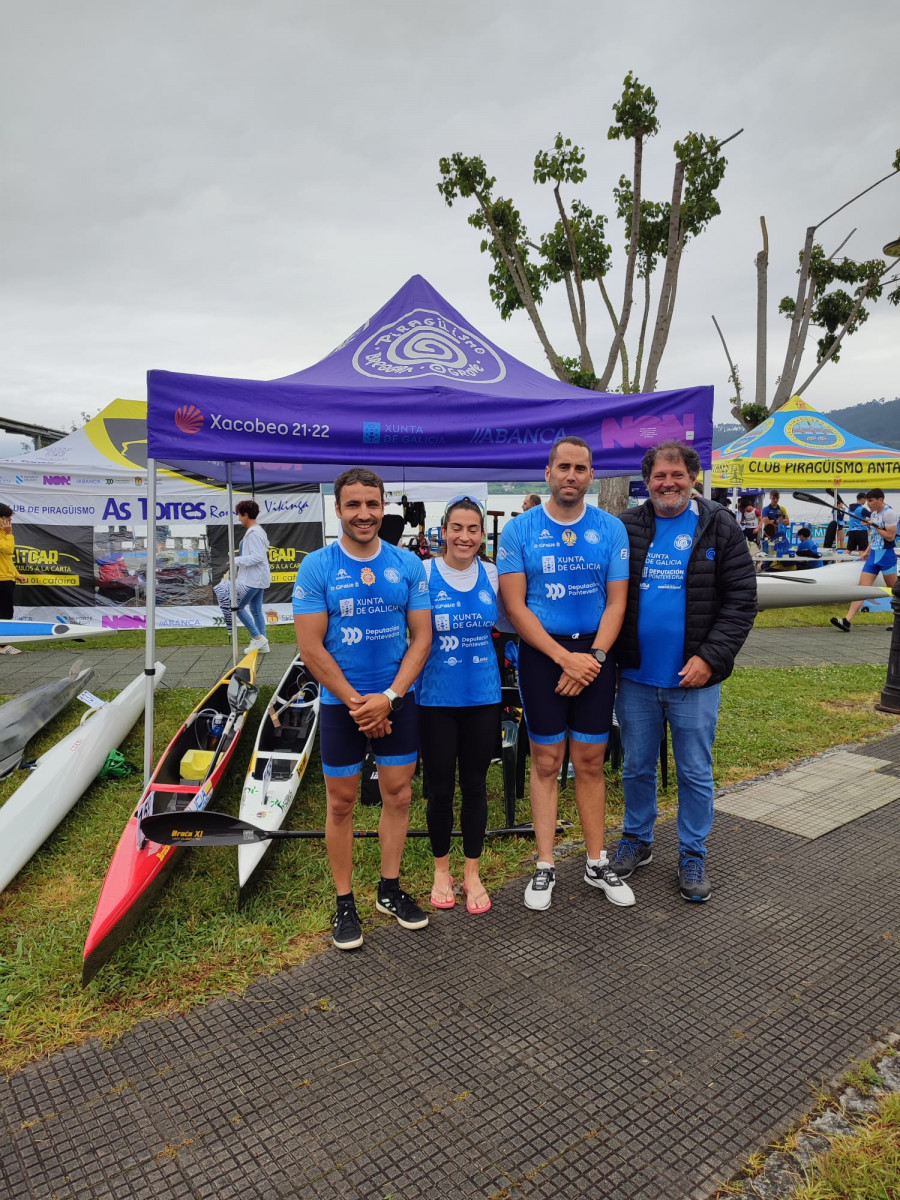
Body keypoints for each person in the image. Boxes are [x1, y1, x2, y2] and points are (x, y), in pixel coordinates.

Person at [609, 441, 757, 903]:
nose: (667, 483)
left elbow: (741, 602)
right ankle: (638, 837)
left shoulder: (720, 526)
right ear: (647, 481)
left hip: (694, 680)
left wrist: (711, 658)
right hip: (635, 676)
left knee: (694, 769)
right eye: (659, 476)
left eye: (676, 474)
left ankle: (692, 851)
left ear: (692, 478)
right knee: (636, 766)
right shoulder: (627, 528)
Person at [293, 467, 432, 949]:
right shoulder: (317, 566)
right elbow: (312, 650)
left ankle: (389, 890)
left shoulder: (408, 564)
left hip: (396, 699)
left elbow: (423, 638)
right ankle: (344, 901)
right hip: (342, 706)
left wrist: (389, 698)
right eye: (353, 505)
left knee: (398, 797)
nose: (364, 514)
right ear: (338, 510)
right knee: (341, 803)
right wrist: (359, 704)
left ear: (383, 507)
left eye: (372, 504)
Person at [497, 436, 632, 911]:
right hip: (542, 656)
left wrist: (591, 657)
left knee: (591, 762)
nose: (572, 476)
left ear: (591, 475)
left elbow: (617, 602)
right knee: (547, 762)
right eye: (564, 467)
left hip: (596, 655)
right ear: (548, 472)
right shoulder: (519, 531)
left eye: (581, 468)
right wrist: (562, 658)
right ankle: (545, 864)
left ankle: (596, 862)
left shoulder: (611, 529)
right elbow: (514, 607)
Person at [417, 496, 508, 915]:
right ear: (443, 531)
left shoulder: (491, 573)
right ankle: (441, 870)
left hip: (484, 696)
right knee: (439, 789)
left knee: (474, 786)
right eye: (457, 528)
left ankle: (471, 873)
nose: (465, 536)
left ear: (481, 535)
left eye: (473, 529)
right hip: (435, 697)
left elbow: (517, 617)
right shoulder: (423, 572)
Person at [830, 488, 897, 633]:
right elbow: (875, 537)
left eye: (871, 501)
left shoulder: (889, 513)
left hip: (886, 555)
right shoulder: (873, 513)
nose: (868, 504)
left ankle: (897, 622)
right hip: (874, 555)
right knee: (862, 589)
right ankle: (847, 621)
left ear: (880, 500)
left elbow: (890, 537)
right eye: (867, 501)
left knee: (895, 591)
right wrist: (866, 551)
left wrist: (875, 526)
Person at [233, 500, 271, 652]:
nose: (239, 519)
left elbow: (257, 557)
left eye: (239, 515)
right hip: (257, 577)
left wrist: (235, 560)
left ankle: (258, 638)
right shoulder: (258, 531)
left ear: (246, 515)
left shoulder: (254, 533)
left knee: (237, 607)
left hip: (253, 578)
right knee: (255, 609)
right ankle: (263, 644)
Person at [0, 503, 26, 655]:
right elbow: (9, 549)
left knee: (6, 611)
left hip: (7, 578)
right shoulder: (5, 534)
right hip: (1, 580)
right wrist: (9, 533)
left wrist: (17, 574)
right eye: (6, 517)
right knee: (4, 613)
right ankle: (3, 645)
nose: (9, 521)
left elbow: (6, 559)